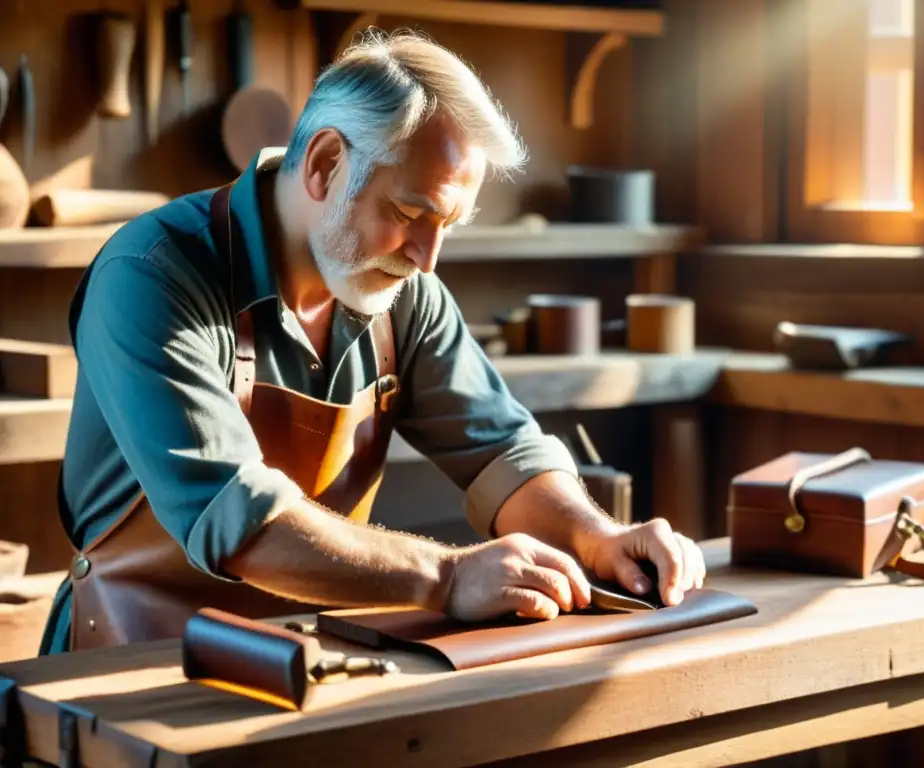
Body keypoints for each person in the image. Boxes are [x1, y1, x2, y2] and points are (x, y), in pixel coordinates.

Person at [39, 31, 705, 655]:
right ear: (327, 164)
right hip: (136, 662)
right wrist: (446, 576)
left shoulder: (399, 291)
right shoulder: (153, 275)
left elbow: (501, 451)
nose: (428, 258)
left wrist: (598, 539)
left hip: (317, 649)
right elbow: (238, 521)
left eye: (449, 224)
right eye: (412, 213)